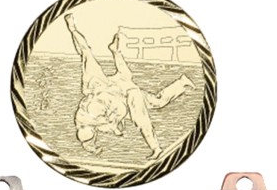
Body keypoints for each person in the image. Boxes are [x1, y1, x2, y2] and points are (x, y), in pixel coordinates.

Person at [65, 13, 195, 158]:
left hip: (124, 94)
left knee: (141, 119)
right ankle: (181, 82)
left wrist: (115, 123)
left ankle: (156, 148)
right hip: (109, 87)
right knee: (156, 100)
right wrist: (112, 127)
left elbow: (119, 108)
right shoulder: (84, 119)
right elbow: (94, 134)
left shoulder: (92, 111)